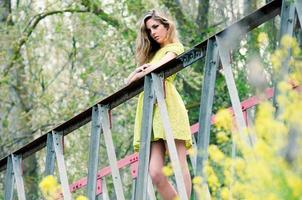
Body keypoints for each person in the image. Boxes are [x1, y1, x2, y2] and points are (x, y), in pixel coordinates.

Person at [126, 10, 192, 200]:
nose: (153, 33)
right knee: (155, 173)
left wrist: (142, 72)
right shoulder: (152, 57)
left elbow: (160, 68)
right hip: (150, 111)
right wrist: (139, 71)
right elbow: (128, 84)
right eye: (149, 30)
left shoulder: (175, 47)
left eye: (156, 27)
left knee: (179, 164)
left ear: (167, 25)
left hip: (168, 106)